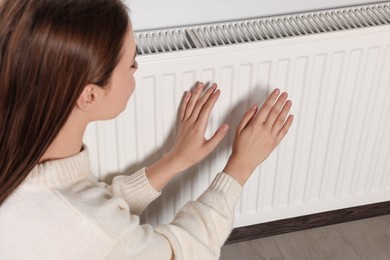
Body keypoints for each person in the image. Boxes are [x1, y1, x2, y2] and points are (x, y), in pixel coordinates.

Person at [0, 0, 294, 259]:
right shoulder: (92, 228)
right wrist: (239, 168)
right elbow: (184, 253)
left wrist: (175, 160)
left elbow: (86, 213)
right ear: (89, 95)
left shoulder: (18, 164)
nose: (136, 69)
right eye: (131, 63)